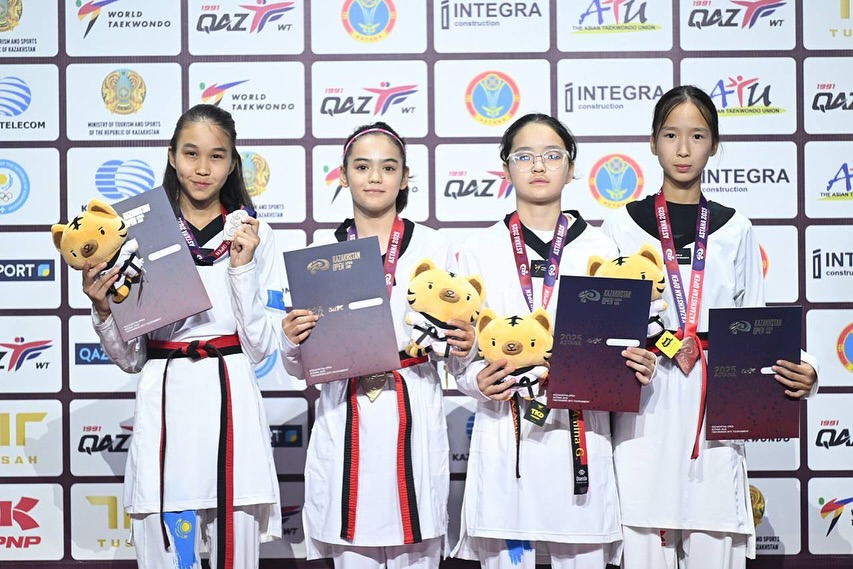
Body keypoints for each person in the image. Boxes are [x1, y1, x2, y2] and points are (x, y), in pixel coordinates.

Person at [600, 85, 818, 569]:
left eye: (697, 136)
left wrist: (808, 371)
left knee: (714, 539)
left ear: (714, 145)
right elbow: (607, 328)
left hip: (716, 413)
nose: (683, 149)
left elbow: (756, 324)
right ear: (652, 142)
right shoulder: (620, 225)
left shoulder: (736, 227)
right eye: (670, 135)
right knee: (643, 534)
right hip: (644, 412)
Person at [451, 113, 657, 569]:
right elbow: (460, 359)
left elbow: (629, 345)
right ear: (506, 168)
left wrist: (642, 367)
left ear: (572, 167)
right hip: (507, 444)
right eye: (524, 156)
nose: (538, 165)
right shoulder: (477, 250)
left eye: (552, 155)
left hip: (579, 444)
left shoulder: (603, 250)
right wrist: (476, 380)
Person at [83, 104, 284, 569]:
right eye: (191, 153)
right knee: (165, 554)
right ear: (172, 156)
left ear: (232, 164)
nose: (202, 168)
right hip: (166, 402)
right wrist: (103, 309)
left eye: (217, 156)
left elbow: (259, 347)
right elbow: (131, 358)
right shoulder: (135, 233)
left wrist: (242, 268)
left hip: (231, 399)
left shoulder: (255, 234)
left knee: (237, 554)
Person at [280, 121, 475, 568]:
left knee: (417, 539)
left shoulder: (436, 246)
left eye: (388, 168)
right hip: (345, 409)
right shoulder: (319, 252)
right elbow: (297, 366)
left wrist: (466, 343)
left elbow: (458, 348)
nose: (374, 177)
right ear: (343, 175)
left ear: (405, 178)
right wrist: (291, 340)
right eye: (362, 166)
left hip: (412, 403)